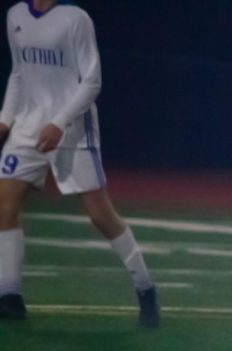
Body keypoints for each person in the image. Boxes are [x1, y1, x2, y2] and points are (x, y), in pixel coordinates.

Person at [0, 0, 159, 326]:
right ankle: (10, 297)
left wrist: (59, 122)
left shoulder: (76, 19)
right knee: (4, 206)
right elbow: (19, 73)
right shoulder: (15, 15)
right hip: (28, 127)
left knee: (100, 215)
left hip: (71, 129)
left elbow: (92, 81)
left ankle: (146, 290)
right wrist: (5, 120)